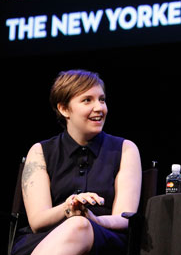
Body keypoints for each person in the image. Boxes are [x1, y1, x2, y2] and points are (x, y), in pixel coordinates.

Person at [12, 70, 142, 255]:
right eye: (87, 100)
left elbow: (124, 217)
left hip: (103, 239)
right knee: (76, 224)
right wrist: (69, 207)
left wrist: (91, 219)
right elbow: (38, 221)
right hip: (44, 239)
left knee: (79, 225)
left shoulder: (125, 149)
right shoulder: (40, 151)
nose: (99, 108)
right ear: (64, 109)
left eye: (102, 99)